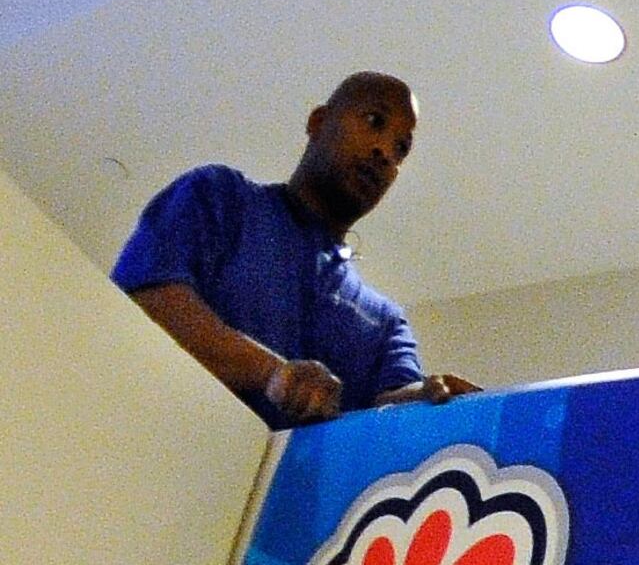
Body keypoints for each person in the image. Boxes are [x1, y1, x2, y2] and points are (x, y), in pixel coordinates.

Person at [112, 71, 476, 427]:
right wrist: (272, 375)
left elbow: (392, 404)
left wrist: (431, 400)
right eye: (373, 120)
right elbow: (146, 300)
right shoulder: (220, 197)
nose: (385, 151)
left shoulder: (385, 322)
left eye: (401, 148)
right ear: (318, 122)